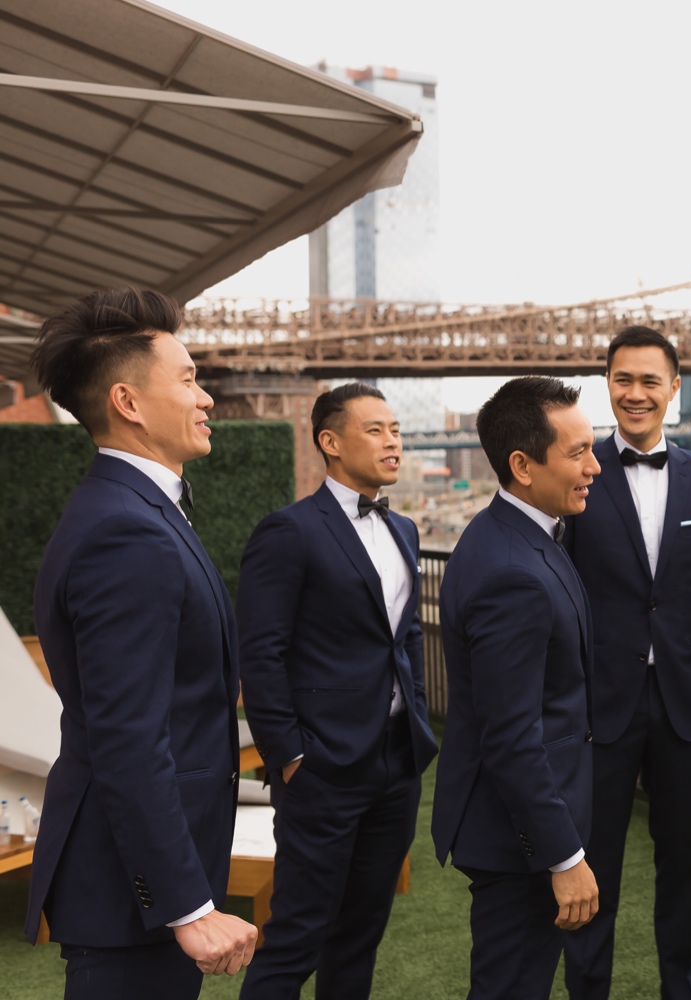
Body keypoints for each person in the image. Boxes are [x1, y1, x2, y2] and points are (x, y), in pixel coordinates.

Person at [26, 288, 259, 998]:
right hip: (131, 895)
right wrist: (188, 907)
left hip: (141, 881)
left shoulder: (134, 510)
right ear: (128, 402)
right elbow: (129, 735)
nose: (207, 398)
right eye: (189, 378)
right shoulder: (124, 530)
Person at [560, 326, 691, 1000]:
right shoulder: (579, 468)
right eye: (623, 380)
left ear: (675, 388)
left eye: (651, 381)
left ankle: (687, 991)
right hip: (599, 703)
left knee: (684, 867)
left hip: (684, 702)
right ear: (607, 386)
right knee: (595, 870)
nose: (636, 393)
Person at [235, 383, 439, 999]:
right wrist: (290, 756)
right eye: (375, 429)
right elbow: (261, 653)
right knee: (297, 935)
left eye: (396, 429)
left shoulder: (403, 528)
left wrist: (418, 726)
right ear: (330, 442)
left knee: (360, 934)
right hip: (322, 768)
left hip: (395, 764)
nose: (392, 441)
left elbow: (403, 641)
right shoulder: (288, 531)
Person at [431, 376, 602, 1000]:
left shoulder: (520, 535)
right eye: (578, 452)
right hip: (517, 837)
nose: (595, 467)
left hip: (521, 821)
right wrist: (562, 857)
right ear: (522, 465)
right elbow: (510, 736)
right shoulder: (512, 570)